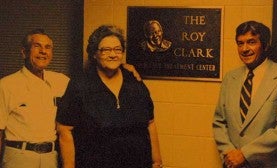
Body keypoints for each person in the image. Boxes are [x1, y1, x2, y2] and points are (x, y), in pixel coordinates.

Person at [56, 25, 162, 168]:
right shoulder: (80, 86)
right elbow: (64, 130)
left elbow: (150, 123)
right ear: (94, 53)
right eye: (106, 50)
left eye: (117, 49)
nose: (113, 54)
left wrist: (157, 162)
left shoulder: (135, 83)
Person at [212, 20, 277, 168]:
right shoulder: (230, 78)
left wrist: (245, 154)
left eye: (251, 42)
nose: (244, 49)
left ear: (264, 45)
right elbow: (219, 122)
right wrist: (229, 153)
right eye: (240, 43)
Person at [0, 29, 70, 168]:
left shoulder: (61, 82)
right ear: (24, 52)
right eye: (37, 46)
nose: (43, 51)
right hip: (18, 158)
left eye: (48, 47)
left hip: (50, 159)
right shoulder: (6, 85)